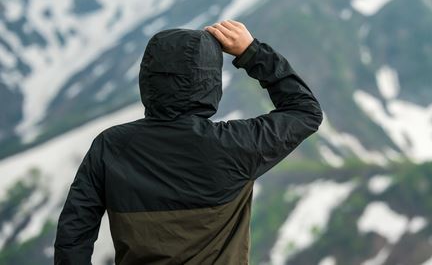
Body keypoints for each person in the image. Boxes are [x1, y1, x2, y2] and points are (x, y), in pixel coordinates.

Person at [53, 20, 323, 264]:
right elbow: (305, 111)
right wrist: (252, 52)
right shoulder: (236, 145)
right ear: (210, 82)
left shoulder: (110, 146)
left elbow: (73, 234)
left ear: (147, 78)